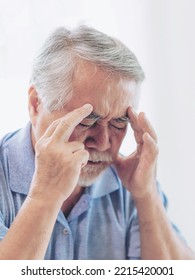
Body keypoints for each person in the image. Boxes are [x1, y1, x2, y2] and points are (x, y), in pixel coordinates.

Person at [0, 25, 194, 260]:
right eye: (86, 121)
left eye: (119, 123)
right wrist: (44, 196)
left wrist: (146, 196)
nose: (102, 143)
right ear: (36, 104)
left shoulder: (128, 182)